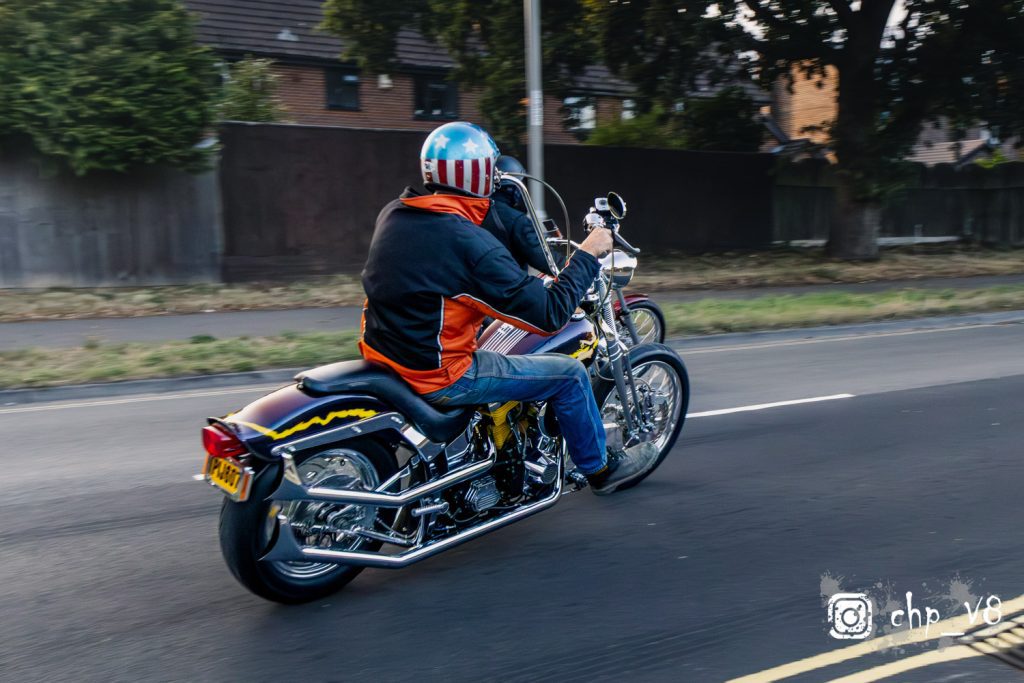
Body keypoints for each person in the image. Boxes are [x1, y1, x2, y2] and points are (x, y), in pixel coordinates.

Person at [359, 121, 647, 495]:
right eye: (490, 168)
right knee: (570, 374)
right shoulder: (469, 242)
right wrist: (589, 253)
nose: (496, 176)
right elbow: (550, 315)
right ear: (477, 173)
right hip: (441, 374)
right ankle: (601, 469)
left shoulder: (397, 214)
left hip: (385, 353)